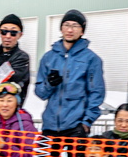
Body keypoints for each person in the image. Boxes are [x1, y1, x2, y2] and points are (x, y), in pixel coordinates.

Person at [35, 9, 105, 138]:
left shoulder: (91, 59)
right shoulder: (48, 57)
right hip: (50, 125)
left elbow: (96, 93)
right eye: (66, 25)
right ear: (61, 28)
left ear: (82, 31)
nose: (70, 30)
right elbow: (40, 93)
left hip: (76, 126)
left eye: (75, 26)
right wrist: (49, 84)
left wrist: (86, 123)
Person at [0, 14, 32, 92]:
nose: (8, 36)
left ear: (20, 35)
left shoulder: (22, 58)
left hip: (7, 101)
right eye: (4, 31)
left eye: (13, 33)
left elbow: (5, 81)